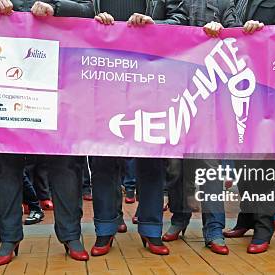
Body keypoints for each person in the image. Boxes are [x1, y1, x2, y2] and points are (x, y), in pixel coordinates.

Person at [0, 0, 94, 265]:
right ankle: (9, 239)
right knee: (7, 167)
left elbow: (87, 9)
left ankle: (71, 236)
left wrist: (55, 7)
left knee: (65, 166)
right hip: (6, 81)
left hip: (59, 80)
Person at [90, 0, 187, 256]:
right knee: (103, 159)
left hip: (151, 79)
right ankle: (105, 229)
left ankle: (151, 229)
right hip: (104, 76)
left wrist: (156, 25)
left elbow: (180, 17)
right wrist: (93, 20)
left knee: (152, 160)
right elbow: (74, 11)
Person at [214, 0, 275, 254]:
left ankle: (263, 226)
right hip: (241, 84)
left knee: (266, 164)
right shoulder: (237, 2)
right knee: (244, 160)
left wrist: (263, 30)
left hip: (273, 88)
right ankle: (247, 217)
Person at [161, 0, 240, 256]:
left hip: (211, 98)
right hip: (177, 93)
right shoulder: (182, 4)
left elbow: (238, 33)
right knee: (175, 166)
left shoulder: (225, 3)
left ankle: (214, 228)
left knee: (210, 166)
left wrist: (224, 32)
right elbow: (173, 26)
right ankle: (179, 218)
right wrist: (152, 25)